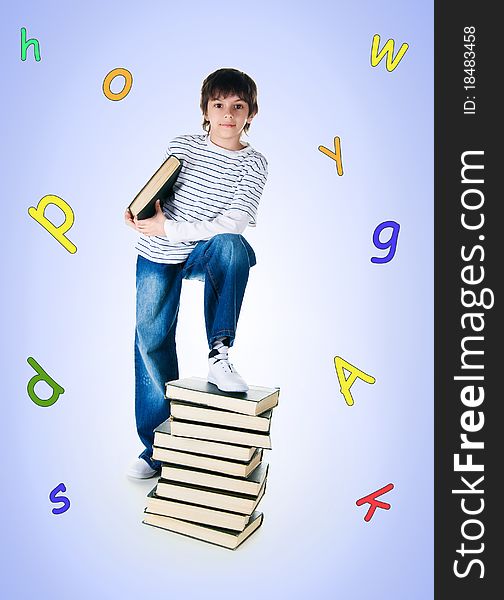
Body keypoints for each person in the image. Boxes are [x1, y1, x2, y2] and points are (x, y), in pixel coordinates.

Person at [124, 68, 268, 478]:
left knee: (233, 246)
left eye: (237, 107)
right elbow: (159, 189)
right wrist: (137, 209)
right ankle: (156, 448)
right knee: (151, 340)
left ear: (250, 113)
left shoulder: (254, 164)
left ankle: (219, 353)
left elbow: (235, 223)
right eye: (219, 105)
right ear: (205, 109)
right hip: (156, 250)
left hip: (202, 251)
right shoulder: (182, 145)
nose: (227, 114)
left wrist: (171, 227)